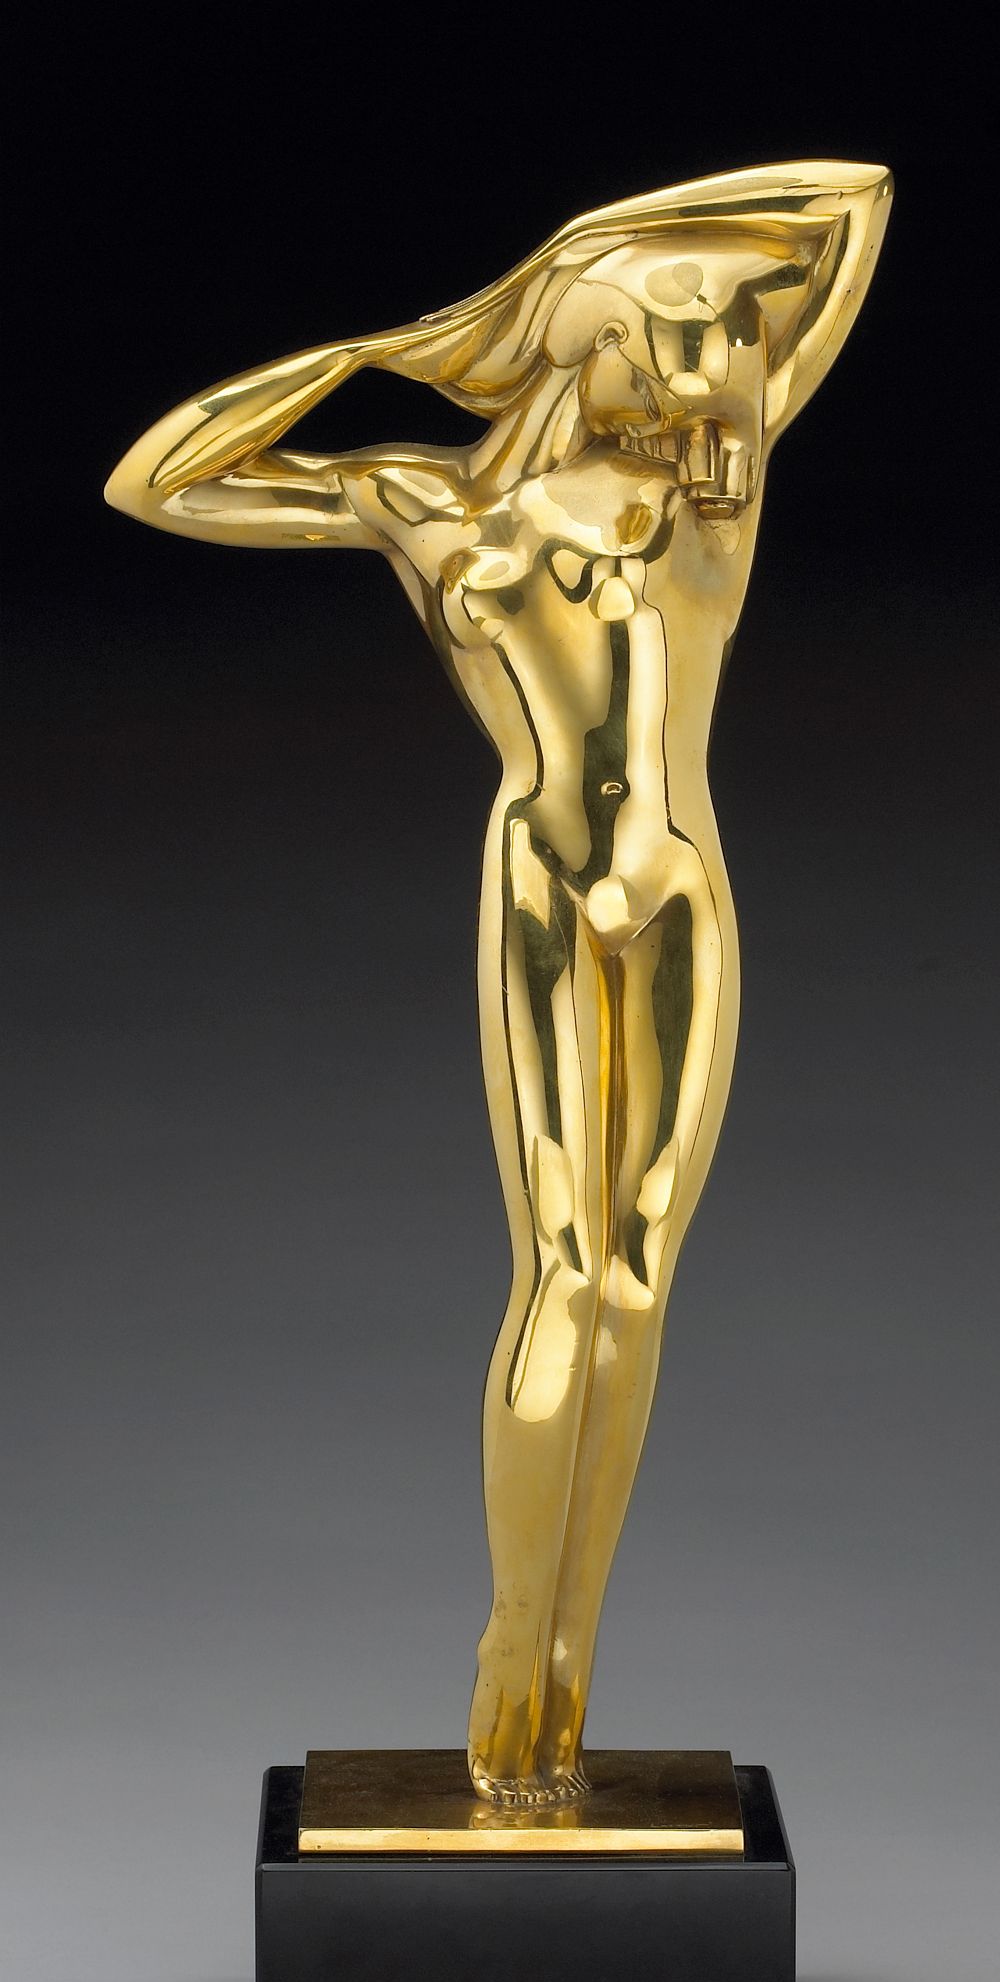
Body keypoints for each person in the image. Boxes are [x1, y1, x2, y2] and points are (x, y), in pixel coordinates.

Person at [106, 161, 892, 1805]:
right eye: (647, 332)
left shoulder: (714, 484)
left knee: (633, 1283)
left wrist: (627, 256)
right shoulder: (433, 503)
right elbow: (156, 481)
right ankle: (510, 1640)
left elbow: (852, 205)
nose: (689, 362)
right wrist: (386, 351)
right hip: (539, 878)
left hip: (675, 887)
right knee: (558, 1272)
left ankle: (569, 1663)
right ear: (571, 341)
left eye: (700, 334)